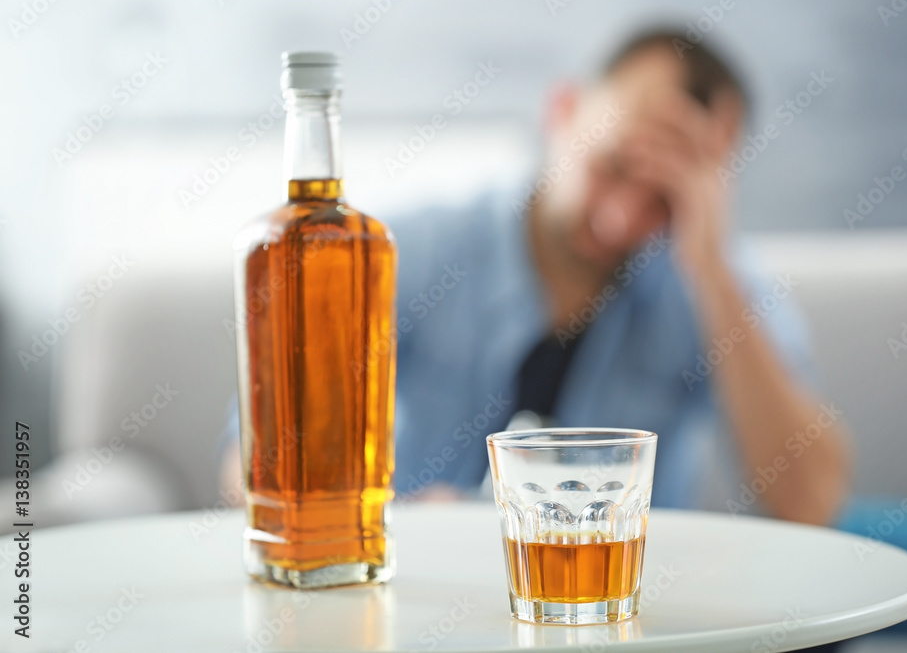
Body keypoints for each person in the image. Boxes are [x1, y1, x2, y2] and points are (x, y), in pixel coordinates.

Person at [222, 28, 851, 527]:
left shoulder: (713, 281)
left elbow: (812, 503)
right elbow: (251, 468)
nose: (621, 219)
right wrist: (392, 526)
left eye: (665, 198)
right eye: (615, 166)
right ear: (563, 110)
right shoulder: (403, 251)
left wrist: (711, 270)